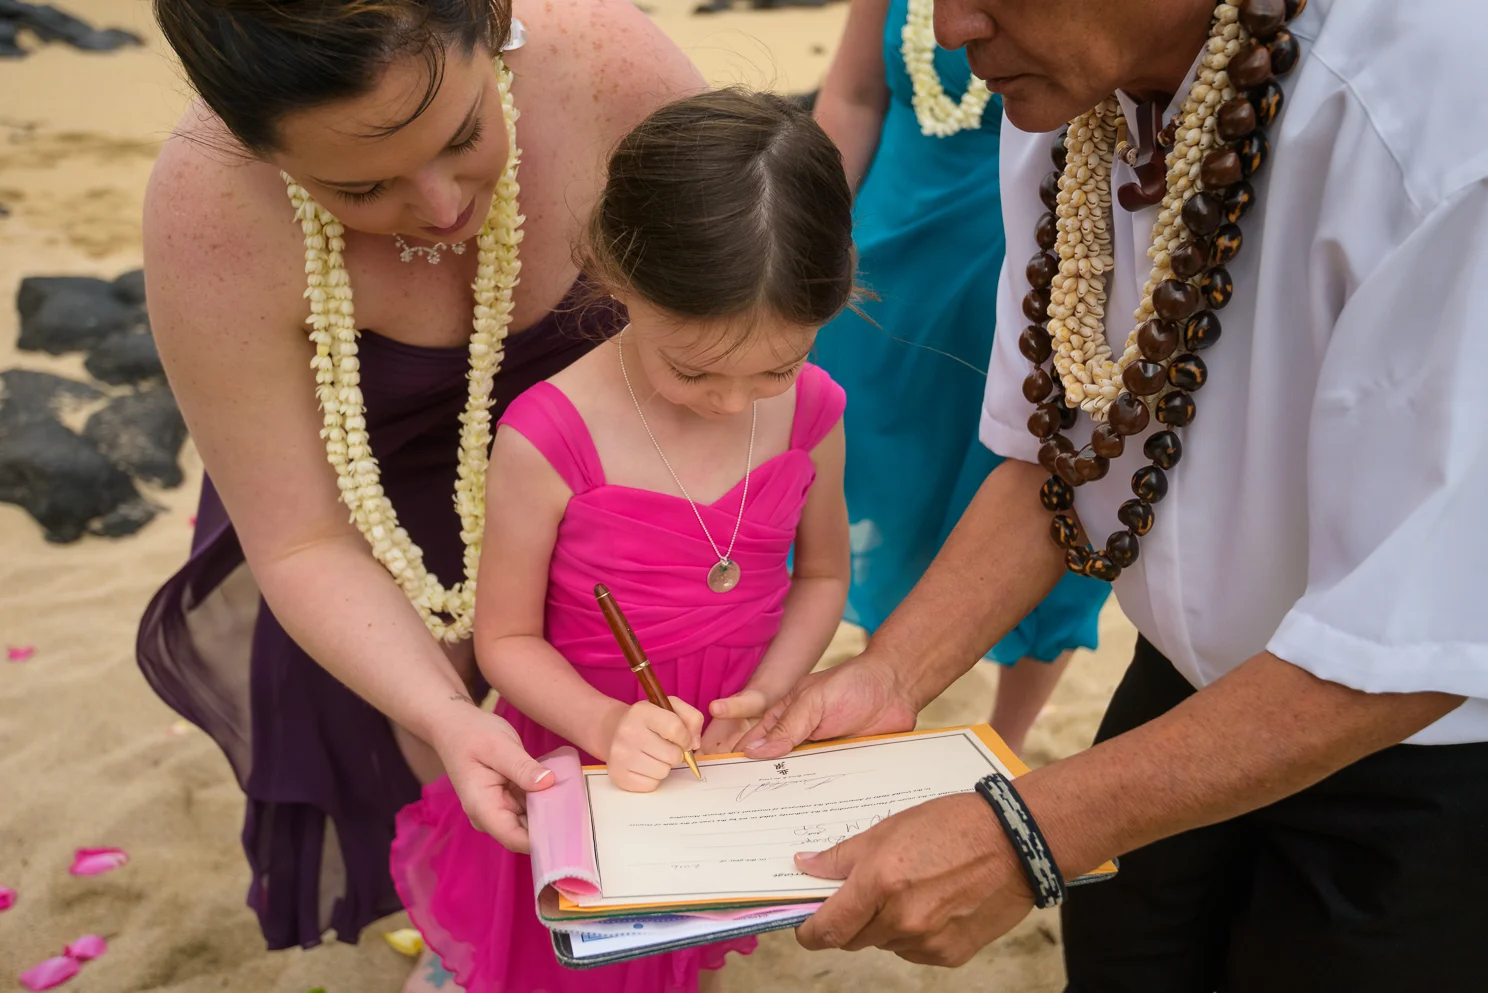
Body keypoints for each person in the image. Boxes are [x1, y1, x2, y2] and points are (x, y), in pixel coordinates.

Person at [735, 1, 1488, 989]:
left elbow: (1424, 629)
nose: (952, 28)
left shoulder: (1437, 110)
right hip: (1188, 681)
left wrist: (1031, 830)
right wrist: (893, 675)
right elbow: (1059, 453)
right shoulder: (1070, 98)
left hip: (1426, 752)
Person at [132, 0, 702, 988]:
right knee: (443, 755)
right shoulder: (207, 208)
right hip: (365, 506)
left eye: (465, 134)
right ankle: (479, 924)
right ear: (257, 147)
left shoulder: (617, 69)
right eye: (359, 184)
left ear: (496, 21)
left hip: (611, 473)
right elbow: (305, 541)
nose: (441, 207)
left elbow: (747, 318)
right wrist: (448, 718)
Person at [388, 89, 854, 992]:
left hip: (723, 759)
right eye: (693, 368)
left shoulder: (815, 409)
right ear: (615, 276)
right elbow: (506, 640)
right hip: (580, 746)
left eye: (775, 365)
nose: (732, 400)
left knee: (675, 957)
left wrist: (770, 688)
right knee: (546, 957)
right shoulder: (545, 436)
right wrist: (605, 723)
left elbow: (824, 575)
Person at [811, 0, 1108, 753]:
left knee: (1055, 500)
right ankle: (885, 675)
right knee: (885, 491)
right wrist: (803, 244)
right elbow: (851, 95)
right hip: (891, 274)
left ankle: (1003, 741)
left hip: (1051, 278)